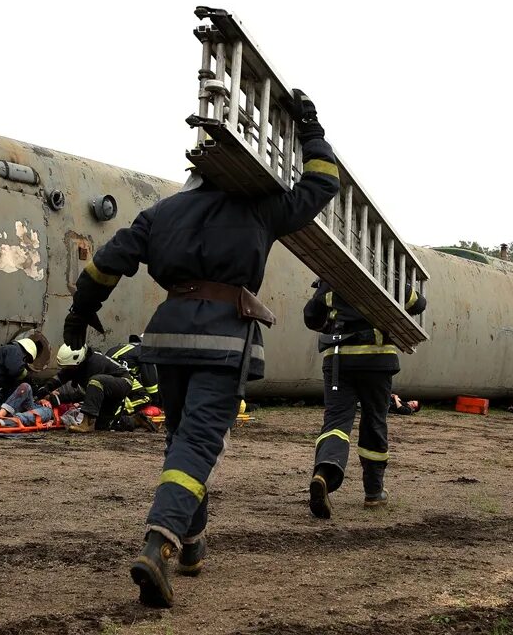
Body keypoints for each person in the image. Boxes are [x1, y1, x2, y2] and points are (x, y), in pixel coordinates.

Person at [59, 89, 339, 608]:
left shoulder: (161, 213)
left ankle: (191, 543)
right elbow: (324, 182)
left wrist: (79, 313)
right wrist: (311, 129)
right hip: (223, 339)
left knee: (181, 442)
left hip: (167, 340)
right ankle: (159, 543)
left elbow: (106, 262)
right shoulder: (261, 210)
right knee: (198, 446)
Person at [303, 277, 427, 520]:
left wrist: (333, 317)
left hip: (338, 361)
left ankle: (324, 476)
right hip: (377, 361)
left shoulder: (332, 278)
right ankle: (373, 491)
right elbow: (418, 303)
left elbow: (311, 317)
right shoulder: (385, 278)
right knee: (374, 421)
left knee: (336, 421)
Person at [36, 343, 134, 432]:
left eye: (69, 367)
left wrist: (60, 398)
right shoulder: (78, 365)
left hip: (123, 382)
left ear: (77, 361)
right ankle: (136, 420)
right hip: (105, 387)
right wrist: (45, 389)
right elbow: (61, 377)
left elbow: (85, 393)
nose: (67, 369)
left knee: (95, 381)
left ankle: (85, 423)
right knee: (102, 427)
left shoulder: (94, 365)